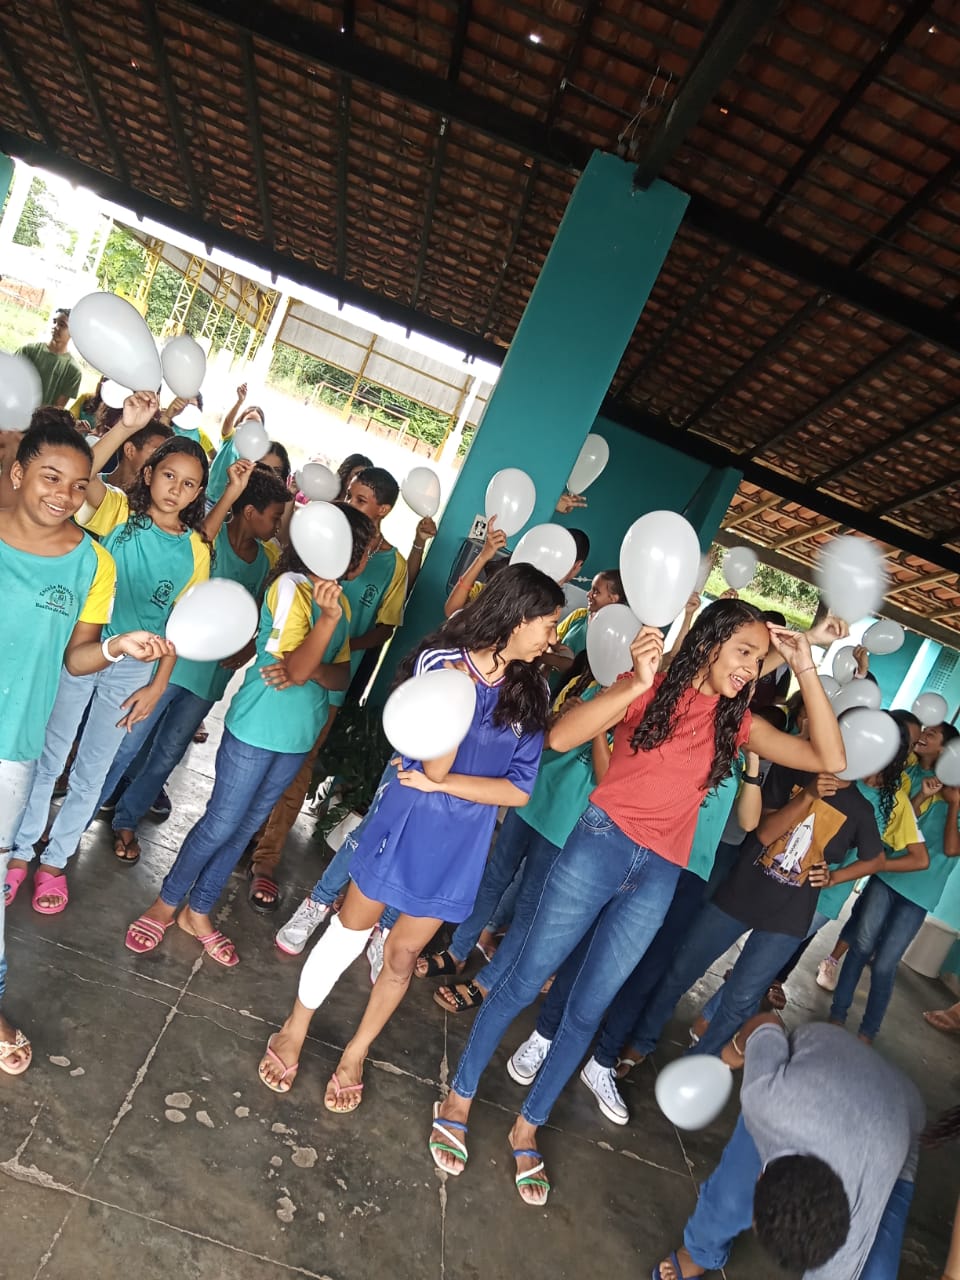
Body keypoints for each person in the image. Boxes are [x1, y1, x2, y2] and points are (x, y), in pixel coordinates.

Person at [431, 599, 845, 1205]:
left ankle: (528, 1126)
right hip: (597, 846)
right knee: (523, 980)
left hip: (658, 875)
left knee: (586, 1009)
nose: (753, 669)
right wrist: (640, 682)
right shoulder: (647, 688)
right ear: (708, 645)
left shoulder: (738, 725)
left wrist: (807, 667)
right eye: (745, 653)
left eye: (760, 659)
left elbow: (829, 760)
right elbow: (561, 736)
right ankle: (459, 1097)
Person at [257, 563, 563, 1111]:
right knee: (350, 932)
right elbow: (430, 759)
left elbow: (517, 790)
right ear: (517, 618)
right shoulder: (442, 662)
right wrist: (453, 722)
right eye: (547, 623)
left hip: (457, 845)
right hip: (402, 823)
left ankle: (356, 1052)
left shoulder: (533, 689)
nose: (552, 637)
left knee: (401, 959)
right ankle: (295, 1026)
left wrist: (443, 782)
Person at [123, 505, 375, 966]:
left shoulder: (337, 602)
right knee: (221, 821)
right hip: (257, 730)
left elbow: (337, 676)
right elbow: (297, 670)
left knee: (242, 830)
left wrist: (314, 661)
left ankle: (197, 912)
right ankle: (165, 903)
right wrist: (319, 639)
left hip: (298, 734)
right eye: (366, 548)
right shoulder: (288, 588)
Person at [0, 413, 173, 1071]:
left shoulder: (92, 563)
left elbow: (75, 659)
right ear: (17, 473)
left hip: (11, 743)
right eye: (50, 477)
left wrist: (115, 647)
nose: (63, 495)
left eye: (79, 487)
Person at [6, 392, 214, 912]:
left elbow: (183, 628)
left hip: (132, 674)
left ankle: (56, 861)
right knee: (48, 757)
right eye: (169, 476)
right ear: (148, 474)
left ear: (198, 494)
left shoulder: (196, 550)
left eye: (190, 485)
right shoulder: (117, 513)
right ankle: (18, 852)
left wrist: (158, 685)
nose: (177, 490)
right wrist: (125, 428)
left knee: (94, 768)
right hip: (81, 654)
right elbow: (72, 478)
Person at [671, 719, 929, 1057]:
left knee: (757, 972)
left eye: (903, 744)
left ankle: (710, 1023)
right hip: (767, 877)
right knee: (714, 954)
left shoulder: (890, 800)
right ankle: (706, 1025)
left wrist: (837, 876)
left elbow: (885, 857)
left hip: (820, 898)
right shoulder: (825, 769)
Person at [104, 465, 293, 860]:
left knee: (167, 754)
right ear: (248, 511)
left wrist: (246, 648)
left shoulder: (264, 560)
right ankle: (82, 811)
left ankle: (127, 817)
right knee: (126, 743)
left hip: (208, 680)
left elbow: (254, 613)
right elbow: (198, 554)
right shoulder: (209, 540)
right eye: (274, 516)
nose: (278, 526)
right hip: (168, 666)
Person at [652, 1015, 925, 1280]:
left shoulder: (864, 1196)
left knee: (876, 1273)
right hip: (824, 1055)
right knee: (732, 1198)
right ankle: (698, 1252)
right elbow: (768, 1022)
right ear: (760, 1175)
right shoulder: (768, 1100)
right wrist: (735, 1050)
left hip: (901, 1112)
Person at [416, 648, 615, 1012]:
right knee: (493, 876)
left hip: (569, 821)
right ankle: (458, 950)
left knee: (530, 903)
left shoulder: (636, 709)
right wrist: (566, 716)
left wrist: (598, 726)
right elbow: (548, 738)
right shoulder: (593, 685)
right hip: (536, 796)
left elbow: (609, 780)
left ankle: (486, 982)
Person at [248, 465, 408, 908]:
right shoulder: (324, 542)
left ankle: (266, 856)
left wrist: (333, 649)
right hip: (284, 670)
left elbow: (385, 628)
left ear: (384, 510)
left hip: (331, 681)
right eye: (349, 496)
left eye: (359, 500)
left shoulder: (390, 566)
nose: (348, 504)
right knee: (257, 761)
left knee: (299, 768)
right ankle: (242, 836)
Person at [829, 746, 960, 1044]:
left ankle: (868, 1032)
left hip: (919, 895)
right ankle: (837, 1014)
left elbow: (952, 848)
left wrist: (954, 805)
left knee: (886, 962)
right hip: (887, 878)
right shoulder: (926, 782)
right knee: (860, 947)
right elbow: (899, 825)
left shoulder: (953, 801)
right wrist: (925, 795)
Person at [816, 717, 950, 990]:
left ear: (945, 750)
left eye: (931, 734)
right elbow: (895, 816)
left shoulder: (944, 788)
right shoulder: (905, 772)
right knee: (860, 922)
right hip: (877, 857)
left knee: (871, 942)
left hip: (884, 861)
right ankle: (830, 961)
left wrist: (931, 796)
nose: (923, 737)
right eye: (917, 736)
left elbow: (907, 827)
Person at [16, 308, 82, 408]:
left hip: (40, 421)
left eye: (62, 325)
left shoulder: (73, 371)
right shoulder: (28, 351)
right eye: (54, 322)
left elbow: (57, 408)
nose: (55, 327)